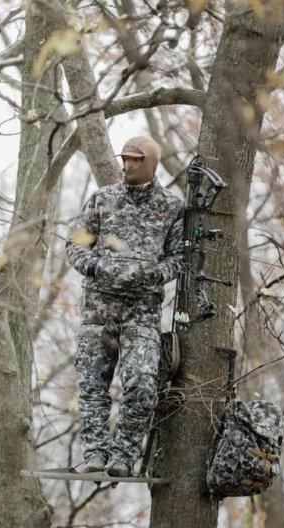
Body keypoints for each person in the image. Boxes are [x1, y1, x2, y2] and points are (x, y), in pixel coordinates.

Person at [65, 135, 187, 476]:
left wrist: (149, 275)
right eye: (125, 159)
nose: (128, 165)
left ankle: (123, 456)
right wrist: (96, 266)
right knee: (92, 383)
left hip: (142, 313)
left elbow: (178, 258)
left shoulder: (171, 208)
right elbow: (74, 244)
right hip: (98, 310)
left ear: (149, 163)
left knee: (141, 383)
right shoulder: (102, 199)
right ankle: (95, 454)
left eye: (135, 160)